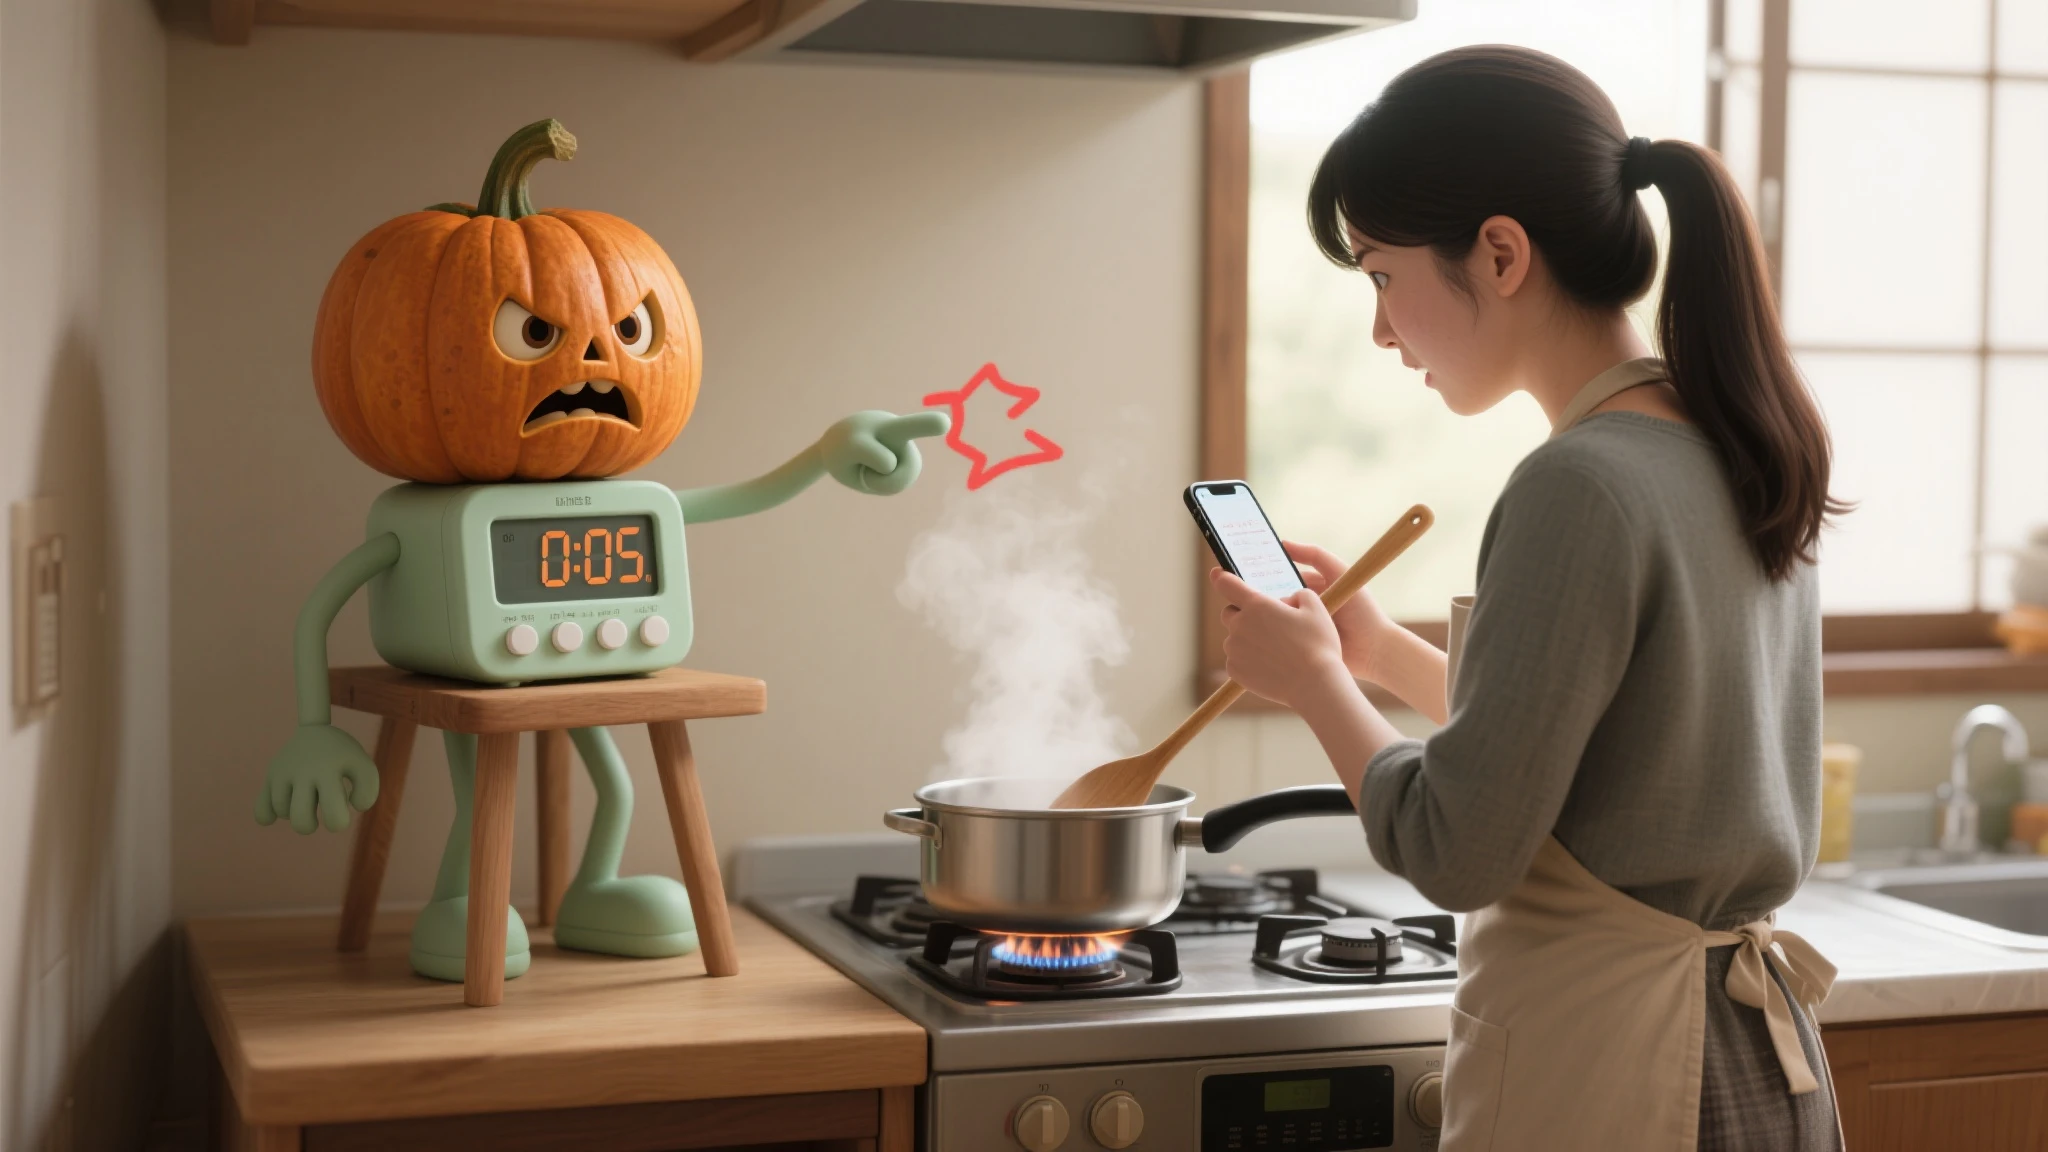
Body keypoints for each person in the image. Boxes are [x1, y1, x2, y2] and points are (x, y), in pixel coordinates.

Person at [1212, 46, 1846, 1152]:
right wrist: (1371, 654)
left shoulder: (1578, 483)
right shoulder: (1725, 439)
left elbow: (1457, 844)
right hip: (1744, 1059)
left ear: (1498, 253)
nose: (1377, 326)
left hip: (1632, 1070)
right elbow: (1599, 737)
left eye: (1377, 272)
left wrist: (1310, 683)